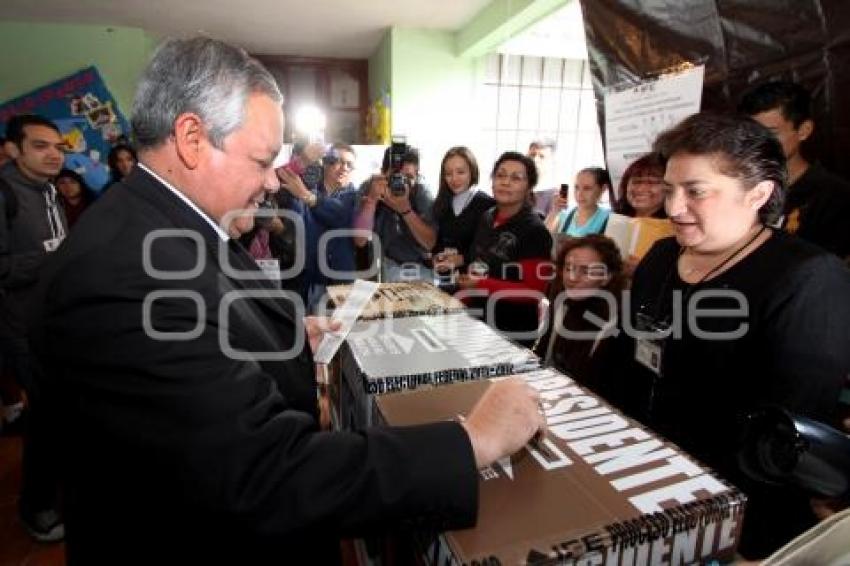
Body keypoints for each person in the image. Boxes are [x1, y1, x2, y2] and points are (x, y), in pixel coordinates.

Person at [29, 37, 545, 564]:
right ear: (190, 138)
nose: (273, 180)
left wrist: (287, 334)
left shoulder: (170, 220)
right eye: (261, 160)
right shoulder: (124, 275)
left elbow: (208, 332)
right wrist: (471, 442)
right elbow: (264, 473)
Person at [601, 112, 850, 559]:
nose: (674, 208)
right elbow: (629, 356)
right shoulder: (660, 257)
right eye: (670, 188)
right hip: (635, 479)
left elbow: (785, 430)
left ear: (758, 193)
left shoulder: (805, 278)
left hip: (733, 512)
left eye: (695, 191)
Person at [0, 114, 67, 542]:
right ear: (13, 150)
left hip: (54, 323)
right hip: (21, 328)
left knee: (61, 414)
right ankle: (36, 507)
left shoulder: (48, 193)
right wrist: (55, 258)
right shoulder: (5, 193)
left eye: (58, 147)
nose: (53, 154)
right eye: (40, 146)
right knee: (44, 419)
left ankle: (58, 492)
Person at [739, 80, 850, 261]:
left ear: (804, 130)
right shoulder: (742, 190)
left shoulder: (833, 196)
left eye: (772, 133)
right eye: (752, 133)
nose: (759, 142)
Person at [457, 151, 552, 347]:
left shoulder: (534, 231)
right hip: (476, 322)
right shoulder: (487, 217)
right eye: (500, 175)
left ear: (529, 187)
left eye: (516, 178)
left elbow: (533, 292)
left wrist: (481, 284)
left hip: (510, 331)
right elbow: (479, 264)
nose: (505, 182)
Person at [277, 143, 361, 311]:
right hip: (304, 281)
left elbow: (341, 215)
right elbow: (277, 180)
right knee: (303, 334)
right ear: (326, 163)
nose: (344, 168)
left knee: (339, 335)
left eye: (350, 165)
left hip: (340, 284)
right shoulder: (303, 189)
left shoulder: (357, 197)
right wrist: (303, 161)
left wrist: (308, 197)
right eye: (338, 161)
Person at [534, 234, 624, 387]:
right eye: (568, 268)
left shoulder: (616, 324)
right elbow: (541, 356)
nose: (572, 277)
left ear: (606, 278)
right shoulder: (561, 303)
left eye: (585, 271)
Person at [353, 144, 437, 282]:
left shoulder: (420, 192)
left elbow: (430, 243)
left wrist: (406, 211)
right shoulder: (371, 187)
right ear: (383, 173)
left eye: (408, 177)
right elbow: (360, 241)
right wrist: (371, 201)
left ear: (417, 177)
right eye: (395, 177)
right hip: (382, 263)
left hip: (417, 264)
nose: (400, 183)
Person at [430, 146, 495, 277]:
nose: (454, 179)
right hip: (445, 280)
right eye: (448, 174)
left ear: (472, 171)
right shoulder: (443, 203)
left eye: (460, 172)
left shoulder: (487, 205)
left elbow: (490, 250)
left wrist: (461, 259)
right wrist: (437, 258)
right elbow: (438, 244)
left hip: (474, 283)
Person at [545, 167, 613, 236]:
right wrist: (554, 212)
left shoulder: (609, 219)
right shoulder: (564, 214)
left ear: (603, 189)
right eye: (576, 187)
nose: (579, 194)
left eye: (587, 188)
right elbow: (542, 239)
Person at [613, 152, 668, 219]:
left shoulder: (675, 226)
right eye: (637, 182)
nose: (641, 189)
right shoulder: (612, 220)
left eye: (652, 182)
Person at [527, 138, 558, 217]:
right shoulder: (517, 190)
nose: (535, 160)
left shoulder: (556, 197)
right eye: (532, 155)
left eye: (542, 156)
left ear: (552, 162)